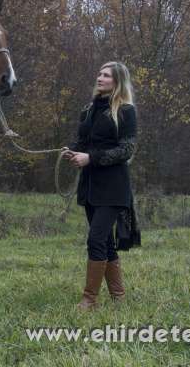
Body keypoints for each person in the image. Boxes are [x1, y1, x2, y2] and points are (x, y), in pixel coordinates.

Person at [62, 61, 141, 310]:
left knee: (95, 239)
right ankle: (119, 297)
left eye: (106, 75)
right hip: (90, 186)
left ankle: (89, 299)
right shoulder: (88, 109)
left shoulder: (126, 111)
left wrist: (91, 158)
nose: (100, 78)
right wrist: (73, 151)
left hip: (113, 187)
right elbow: (83, 141)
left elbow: (126, 150)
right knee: (105, 241)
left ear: (117, 81)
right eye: (99, 73)